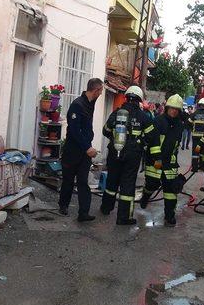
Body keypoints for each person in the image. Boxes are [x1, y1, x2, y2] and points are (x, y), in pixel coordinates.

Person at [100, 86, 159, 225]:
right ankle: (123, 217)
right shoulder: (143, 116)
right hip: (132, 156)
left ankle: (106, 208)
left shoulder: (116, 113)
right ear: (139, 100)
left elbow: (105, 131)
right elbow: (152, 137)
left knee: (111, 182)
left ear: (126, 97)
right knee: (127, 184)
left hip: (115, 152)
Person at [58, 78, 104, 222]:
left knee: (83, 181)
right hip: (73, 151)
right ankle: (63, 206)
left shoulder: (90, 104)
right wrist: (87, 147)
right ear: (95, 90)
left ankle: (83, 213)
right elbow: (75, 130)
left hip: (85, 153)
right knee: (68, 181)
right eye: (101, 91)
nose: (101, 94)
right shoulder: (77, 105)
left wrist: (88, 146)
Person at [141, 94, 184, 227]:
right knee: (152, 184)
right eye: (172, 108)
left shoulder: (179, 126)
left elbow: (176, 146)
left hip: (170, 163)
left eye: (177, 109)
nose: (174, 111)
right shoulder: (158, 121)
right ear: (167, 108)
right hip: (155, 160)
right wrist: (157, 158)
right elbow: (152, 141)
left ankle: (169, 216)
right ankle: (146, 196)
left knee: (171, 191)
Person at [189, 98, 204, 173]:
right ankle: (202, 167)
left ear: (199, 104)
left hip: (196, 137)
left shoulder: (194, 114)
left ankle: (194, 168)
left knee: (195, 153)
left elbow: (189, 122)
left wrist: (192, 129)